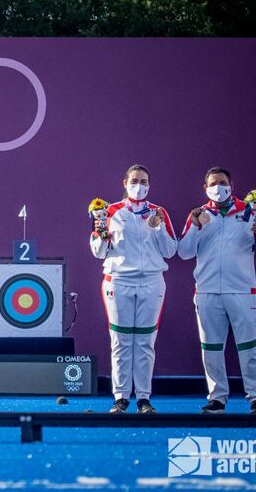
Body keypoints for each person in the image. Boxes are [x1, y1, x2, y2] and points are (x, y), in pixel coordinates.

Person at [178, 167, 256, 414]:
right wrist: (196, 227)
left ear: (231, 184)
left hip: (243, 291)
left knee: (248, 346)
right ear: (205, 188)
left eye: (222, 182)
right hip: (207, 291)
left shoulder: (250, 211)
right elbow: (184, 252)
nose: (218, 187)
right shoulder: (199, 215)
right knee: (211, 347)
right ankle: (217, 397)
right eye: (213, 183)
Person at [90, 164, 177, 413]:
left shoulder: (160, 212)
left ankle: (143, 398)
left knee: (145, 342)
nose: (140, 185)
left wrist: (157, 227)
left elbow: (171, 251)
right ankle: (120, 397)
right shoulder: (109, 212)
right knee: (120, 341)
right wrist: (101, 234)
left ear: (149, 185)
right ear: (125, 183)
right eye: (135, 180)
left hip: (151, 281)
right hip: (118, 281)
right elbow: (98, 252)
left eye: (144, 181)